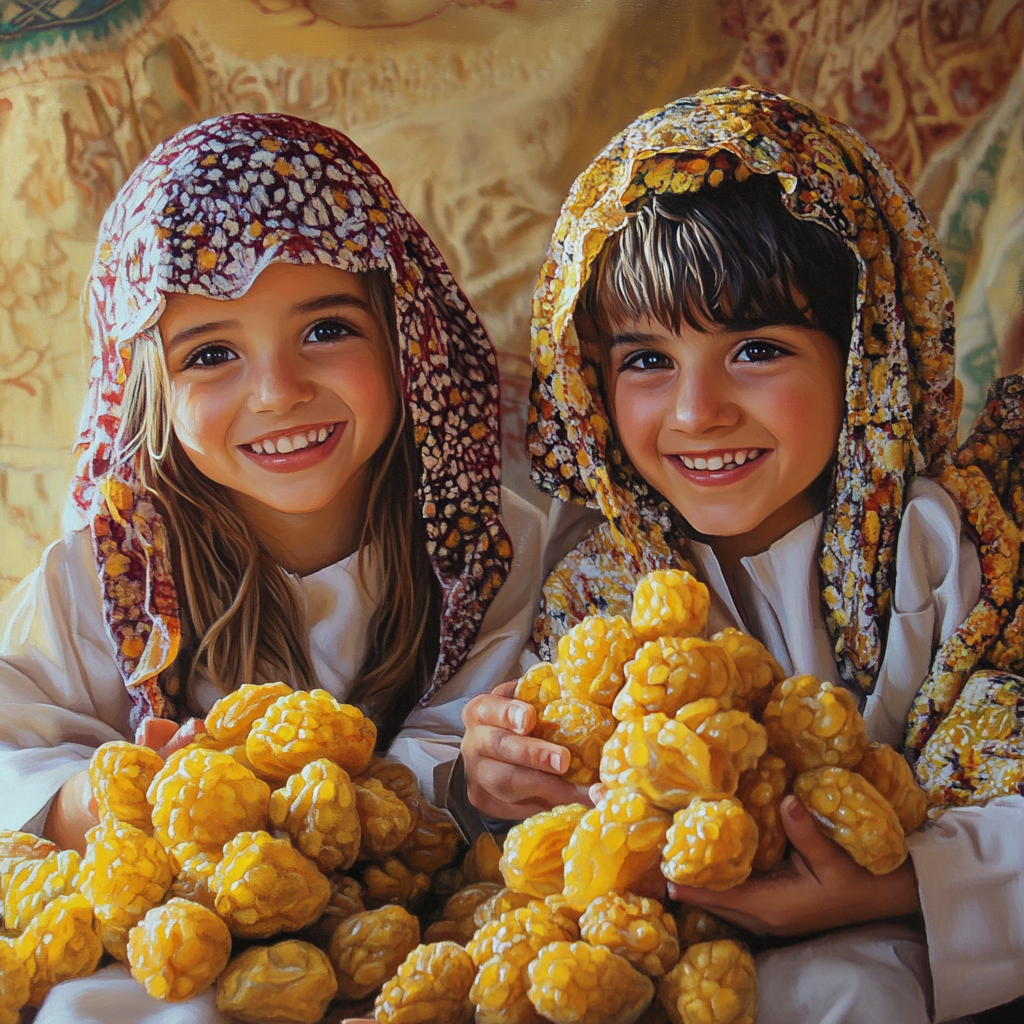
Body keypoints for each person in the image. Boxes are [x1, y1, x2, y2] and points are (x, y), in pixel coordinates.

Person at [460, 88, 1024, 1022]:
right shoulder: (596, 592)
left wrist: (889, 886)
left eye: (756, 349)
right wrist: (496, 779)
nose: (695, 413)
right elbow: (556, 834)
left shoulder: (953, 556)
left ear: (862, 357)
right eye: (646, 361)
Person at [0, 111, 544, 1022]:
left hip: (425, 936)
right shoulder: (108, 570)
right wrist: (108, 796)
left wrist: (333, 813)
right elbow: (13, 743)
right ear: (151, 386)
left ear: (405, 337)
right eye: (211, 353)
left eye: (326, 330)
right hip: (188, 946)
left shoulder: (490, 544)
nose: (276, 390)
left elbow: (468, 751)